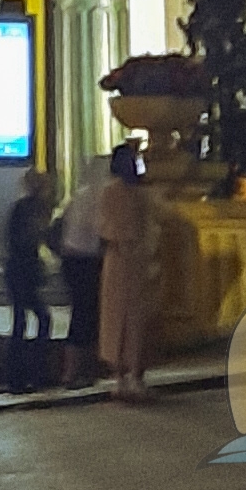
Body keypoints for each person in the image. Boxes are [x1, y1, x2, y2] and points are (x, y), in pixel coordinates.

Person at [97, 141, 153, 402]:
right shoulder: (141, 194)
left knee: (117, 316)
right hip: (134, 259)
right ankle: (133, 375)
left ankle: (120, 376)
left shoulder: (111, 192)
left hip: (118, 258)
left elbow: (103, 225)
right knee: (134, 317)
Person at [3, 168, 56, 393]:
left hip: (18, 269)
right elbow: (30, 238)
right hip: (23, 270)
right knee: (35, 320)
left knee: (21, 321)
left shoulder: (22, 208)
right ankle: (30, 373)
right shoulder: (32, 209)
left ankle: (20, 376)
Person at [55, 157, 106, 385]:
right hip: (87, 260)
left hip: (71, 259)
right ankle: (79, 370)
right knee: (87, 315)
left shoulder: (79, 195)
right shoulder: (99, 197)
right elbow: (100, 229)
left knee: (82, 314)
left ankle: (75, 370)